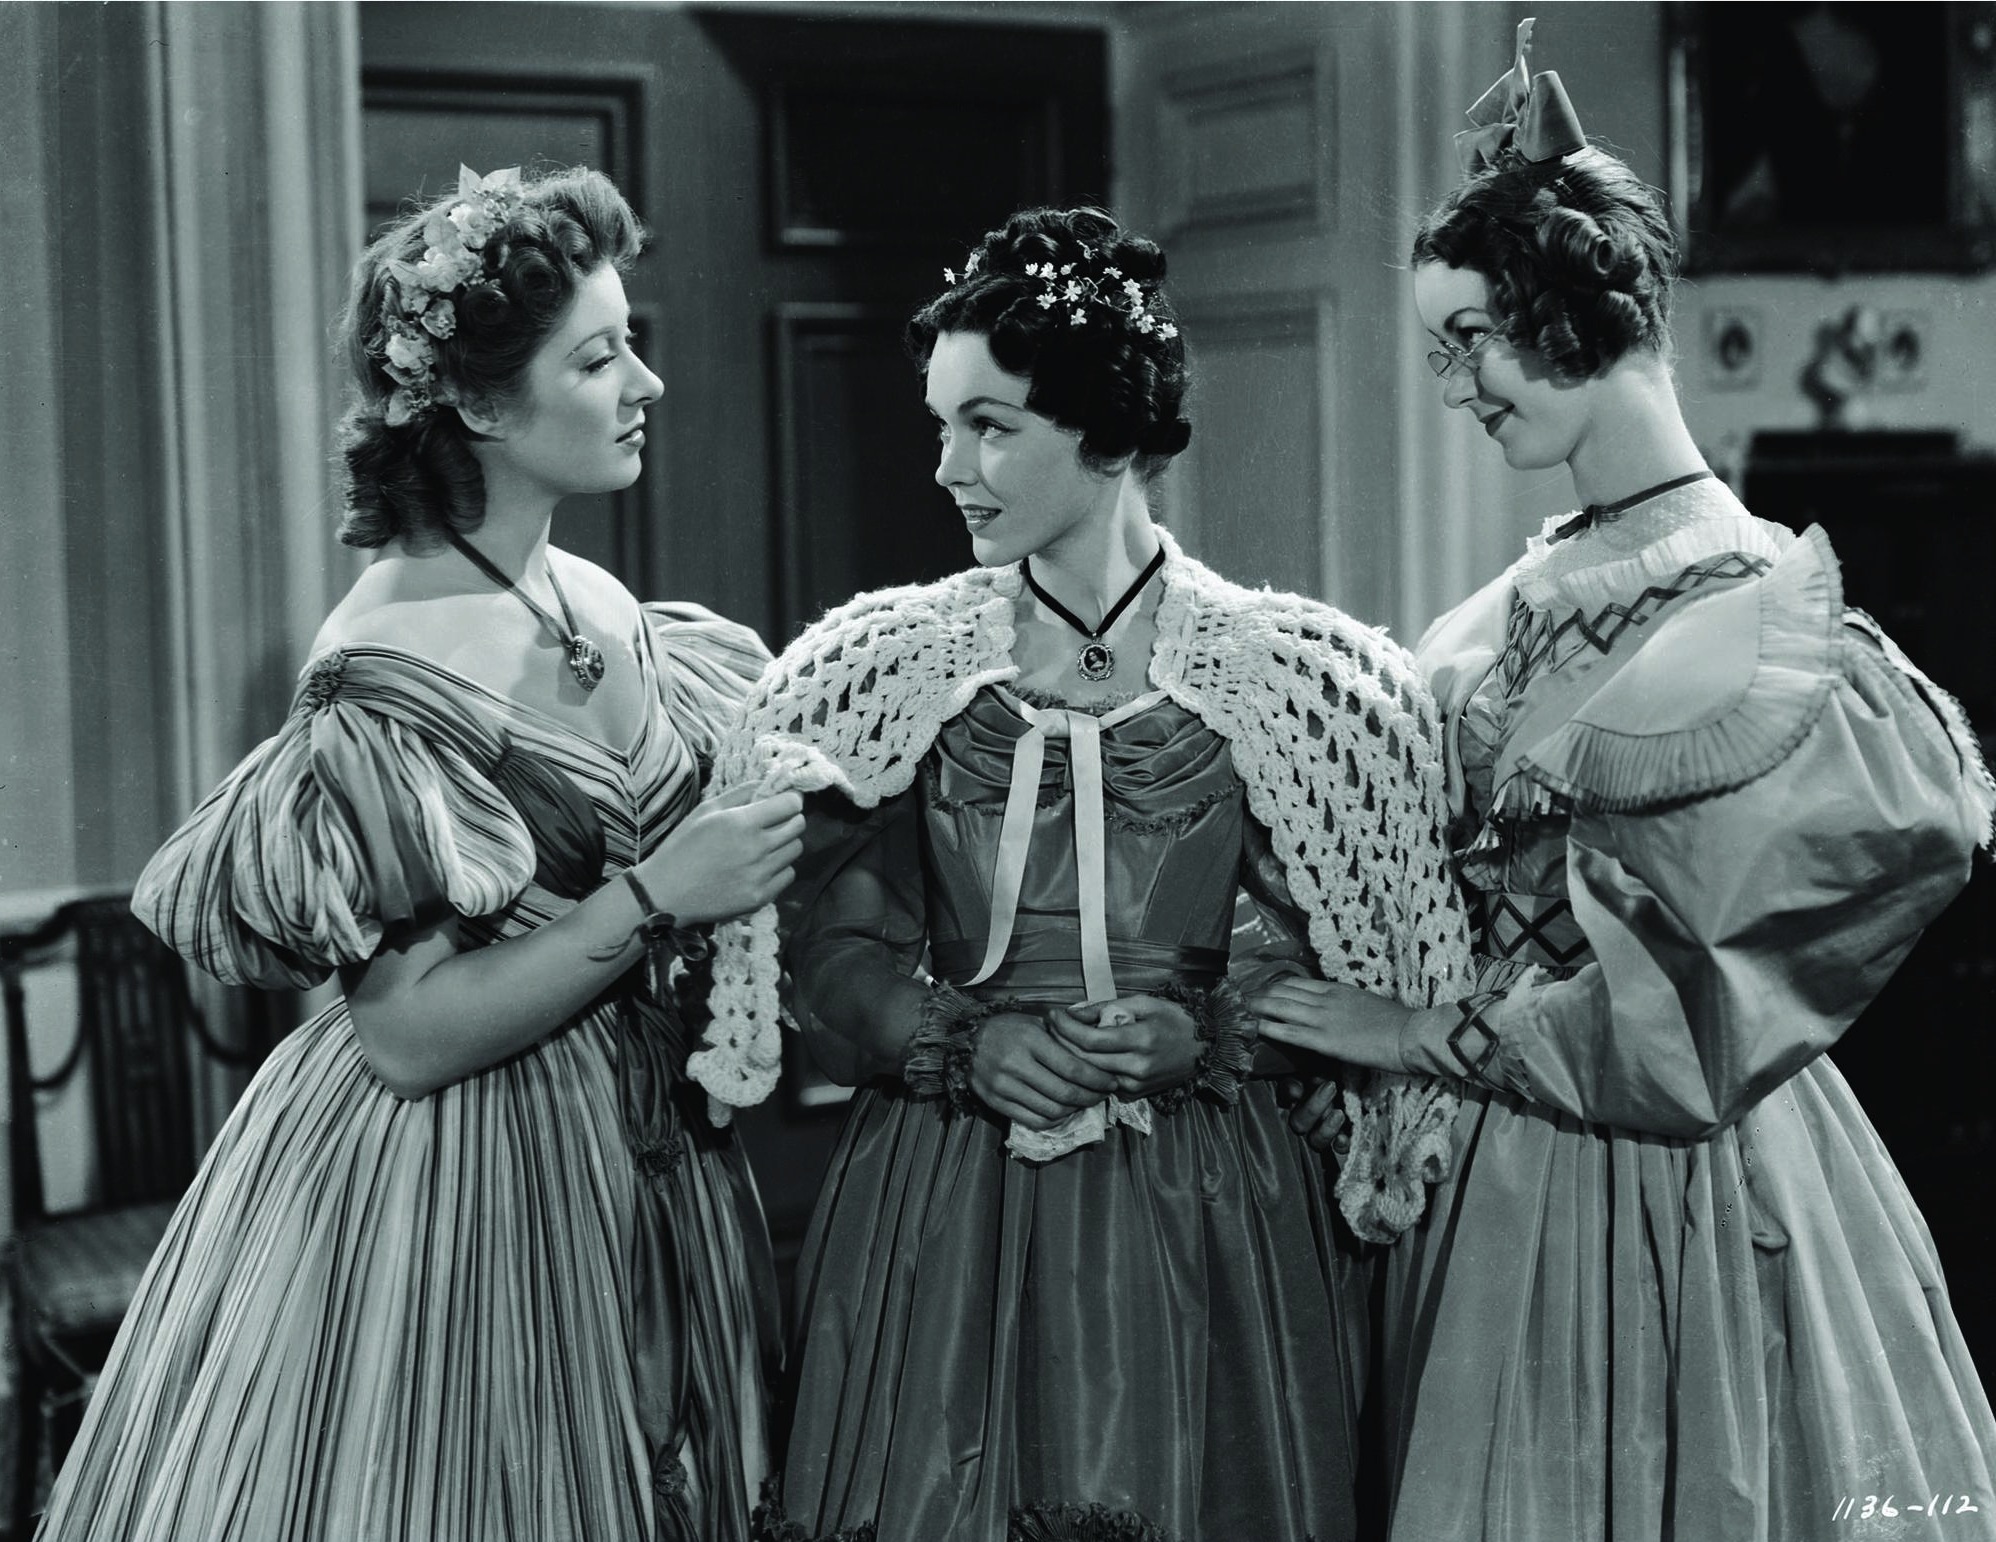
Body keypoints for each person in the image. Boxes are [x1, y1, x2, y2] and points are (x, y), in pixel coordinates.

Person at [1251, 23, 1996, 1541]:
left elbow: (1675, 1026)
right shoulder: (1512, 604)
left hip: (1680, 1188)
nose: (1454, 385)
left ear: (1574, 313)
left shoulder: (1759, 623)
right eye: (1440, 349)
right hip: (1487, 1178)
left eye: (1470, 337)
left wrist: (1405, 1026)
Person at [36, 165, 804, 1542]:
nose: (646, 383)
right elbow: (404, 1038)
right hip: (465, 1177)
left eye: (632, 340)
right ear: (472, 402)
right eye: (598, 355)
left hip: (647, 1152)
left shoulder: (599, 596)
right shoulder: (382, 662)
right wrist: (657, 892)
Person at [689, 206, 1470, 1542]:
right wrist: (953, 1040)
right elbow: (836, 949)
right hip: (946, 1193)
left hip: (1202, 1204)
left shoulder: (1286, 678)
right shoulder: (900, 669)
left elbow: (1348, 968)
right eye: (943, 424)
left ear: (1105, 434)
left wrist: (1209, 1029)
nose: (949, 467)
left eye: (989, 427)